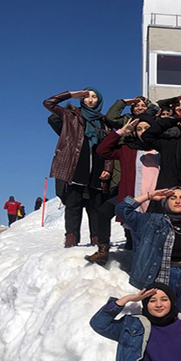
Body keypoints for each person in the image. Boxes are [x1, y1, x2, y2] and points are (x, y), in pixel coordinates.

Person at [115, 187, 181, 315]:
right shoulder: (151, 221)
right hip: (160, 276)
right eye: (173, 198)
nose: (177, 201)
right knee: (161, 317)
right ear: (165, 202)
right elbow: (122, 209)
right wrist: (149, 196)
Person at [44, 88, 112, 247]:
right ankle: (71, 236)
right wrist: (70, 95)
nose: (90, 99)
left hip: (97, 165)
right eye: (87, 96)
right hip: (76, 164)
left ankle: (96, 237)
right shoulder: (71, 115)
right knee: (73, 202)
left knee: (96, 205)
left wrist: (108, 168)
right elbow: (48, 103)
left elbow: (109, 147)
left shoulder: (104, 121)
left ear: (99, 100)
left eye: (94, 97)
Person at [89, 117, 156, 264]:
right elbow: (102, 150)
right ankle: (103, 250)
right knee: (104, 211)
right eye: (139, 129)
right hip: (129, 195)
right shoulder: (127, 149)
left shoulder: (160, 148)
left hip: (152, 196)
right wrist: (120, 132)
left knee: (142, 237)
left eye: (146, 128)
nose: (143, 132)